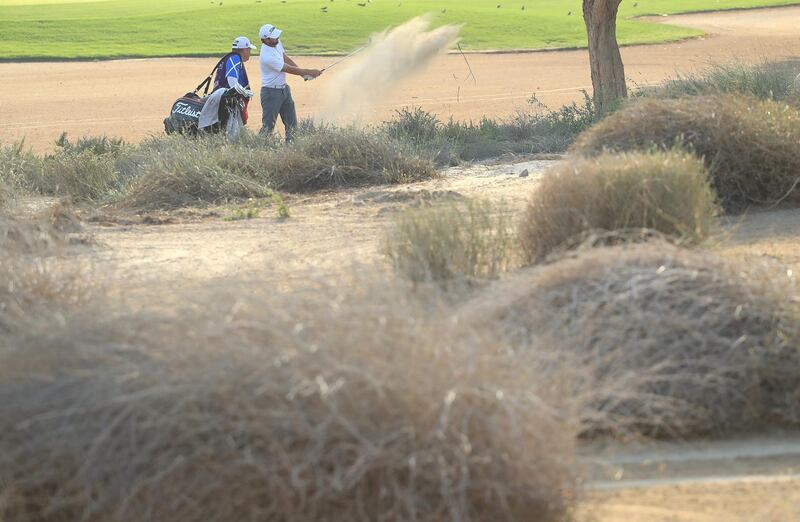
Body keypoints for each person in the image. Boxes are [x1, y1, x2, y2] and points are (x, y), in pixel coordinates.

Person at [258, 23, 322, 140]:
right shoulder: (267, 56)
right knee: (268, 128)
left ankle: (291, 149)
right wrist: (310, 71)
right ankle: (258, 150)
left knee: (292, 126)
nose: (277, 38)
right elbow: (288, 69)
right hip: (271, 93)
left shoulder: (276, 43)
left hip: (284, 90)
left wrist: (303, 74)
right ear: (265, 40)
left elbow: (285, 58)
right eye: (274, 37)